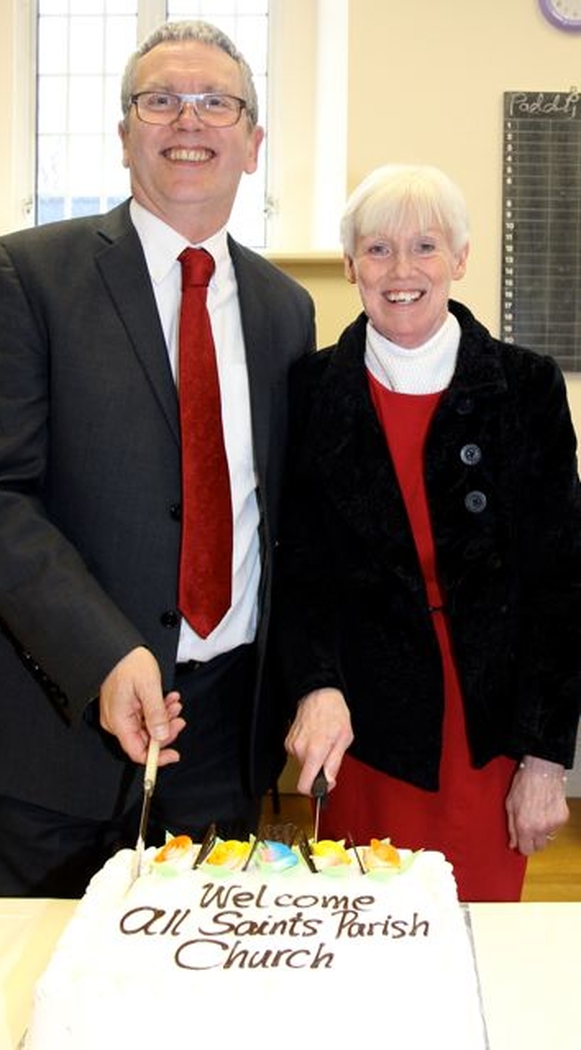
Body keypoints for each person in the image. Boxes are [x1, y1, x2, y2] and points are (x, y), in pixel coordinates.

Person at [0, 20, 315, 897]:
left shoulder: (285, 310)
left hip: (222, 739)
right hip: (52, 734)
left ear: (252, 143)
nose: (189, 121)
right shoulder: (25, 277)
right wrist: (105, 652)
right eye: (160, 101)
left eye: (216, 102)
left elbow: (288, 518)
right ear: (123, 136)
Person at [275, 163, 581, 901]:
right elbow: (300, 568)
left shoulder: (526, 386)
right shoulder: (314, 390)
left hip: (486, 730)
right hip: (365, 726)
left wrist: (545, 758)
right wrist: (315, 685)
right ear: (350, 265)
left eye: (425, 246)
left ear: (461, 258)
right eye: (378, 250)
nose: (401, 270)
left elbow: (562, 582)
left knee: (477, 939)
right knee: (364, 930)